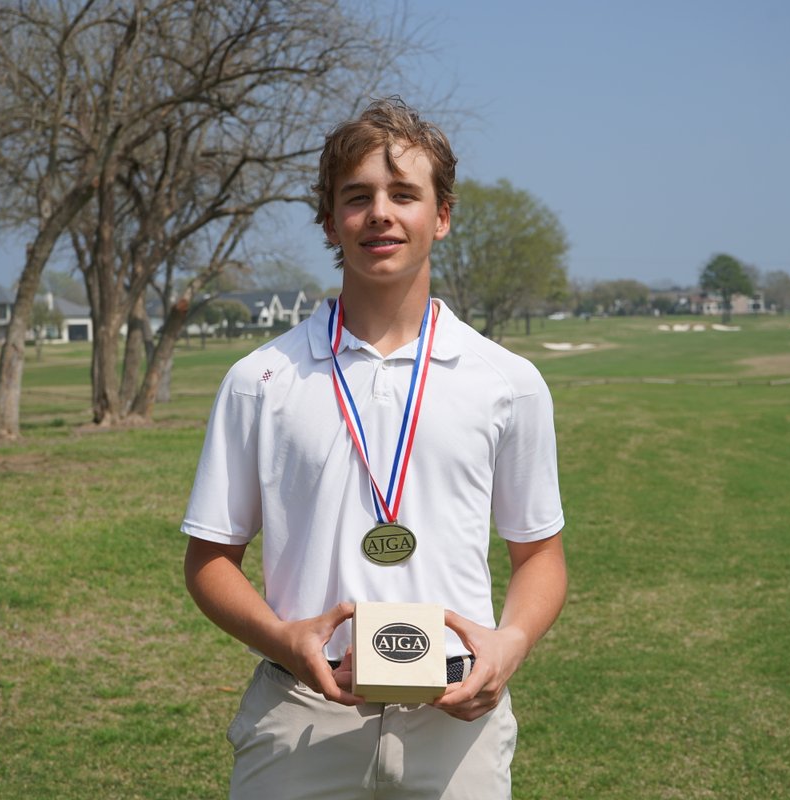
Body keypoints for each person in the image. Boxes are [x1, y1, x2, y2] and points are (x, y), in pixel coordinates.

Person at [181, 97, 567, 799]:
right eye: (357, 197)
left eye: (404, 195)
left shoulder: (507, 383)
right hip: (303, 715)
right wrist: (284, 639)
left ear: (441, 216)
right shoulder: (260, 380)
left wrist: (508, 646)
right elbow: (210, 560)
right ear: (330, 221)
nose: (380, 214)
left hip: (456, 719)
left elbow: (540, 555)